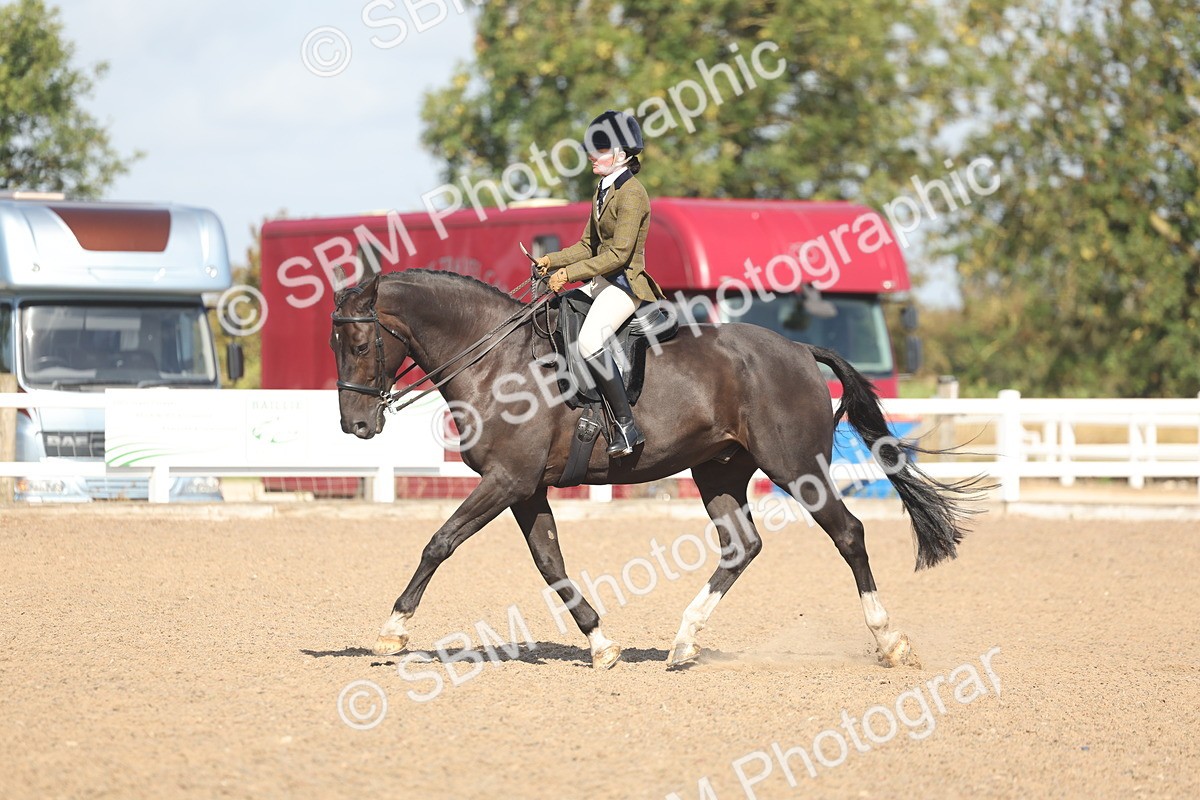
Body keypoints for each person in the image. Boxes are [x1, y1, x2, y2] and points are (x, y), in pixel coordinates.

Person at [536, 109, 665, 457]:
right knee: (552, 314)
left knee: (591, 341)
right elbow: (586, 246)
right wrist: (552, 261)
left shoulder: (632, 194)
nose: (591, 155)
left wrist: (568, 275)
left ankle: (626, 426)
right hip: (600, 282)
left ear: (622, 154)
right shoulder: (603, 190)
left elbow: (619, 254)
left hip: (625, 285)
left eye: (600, 149)